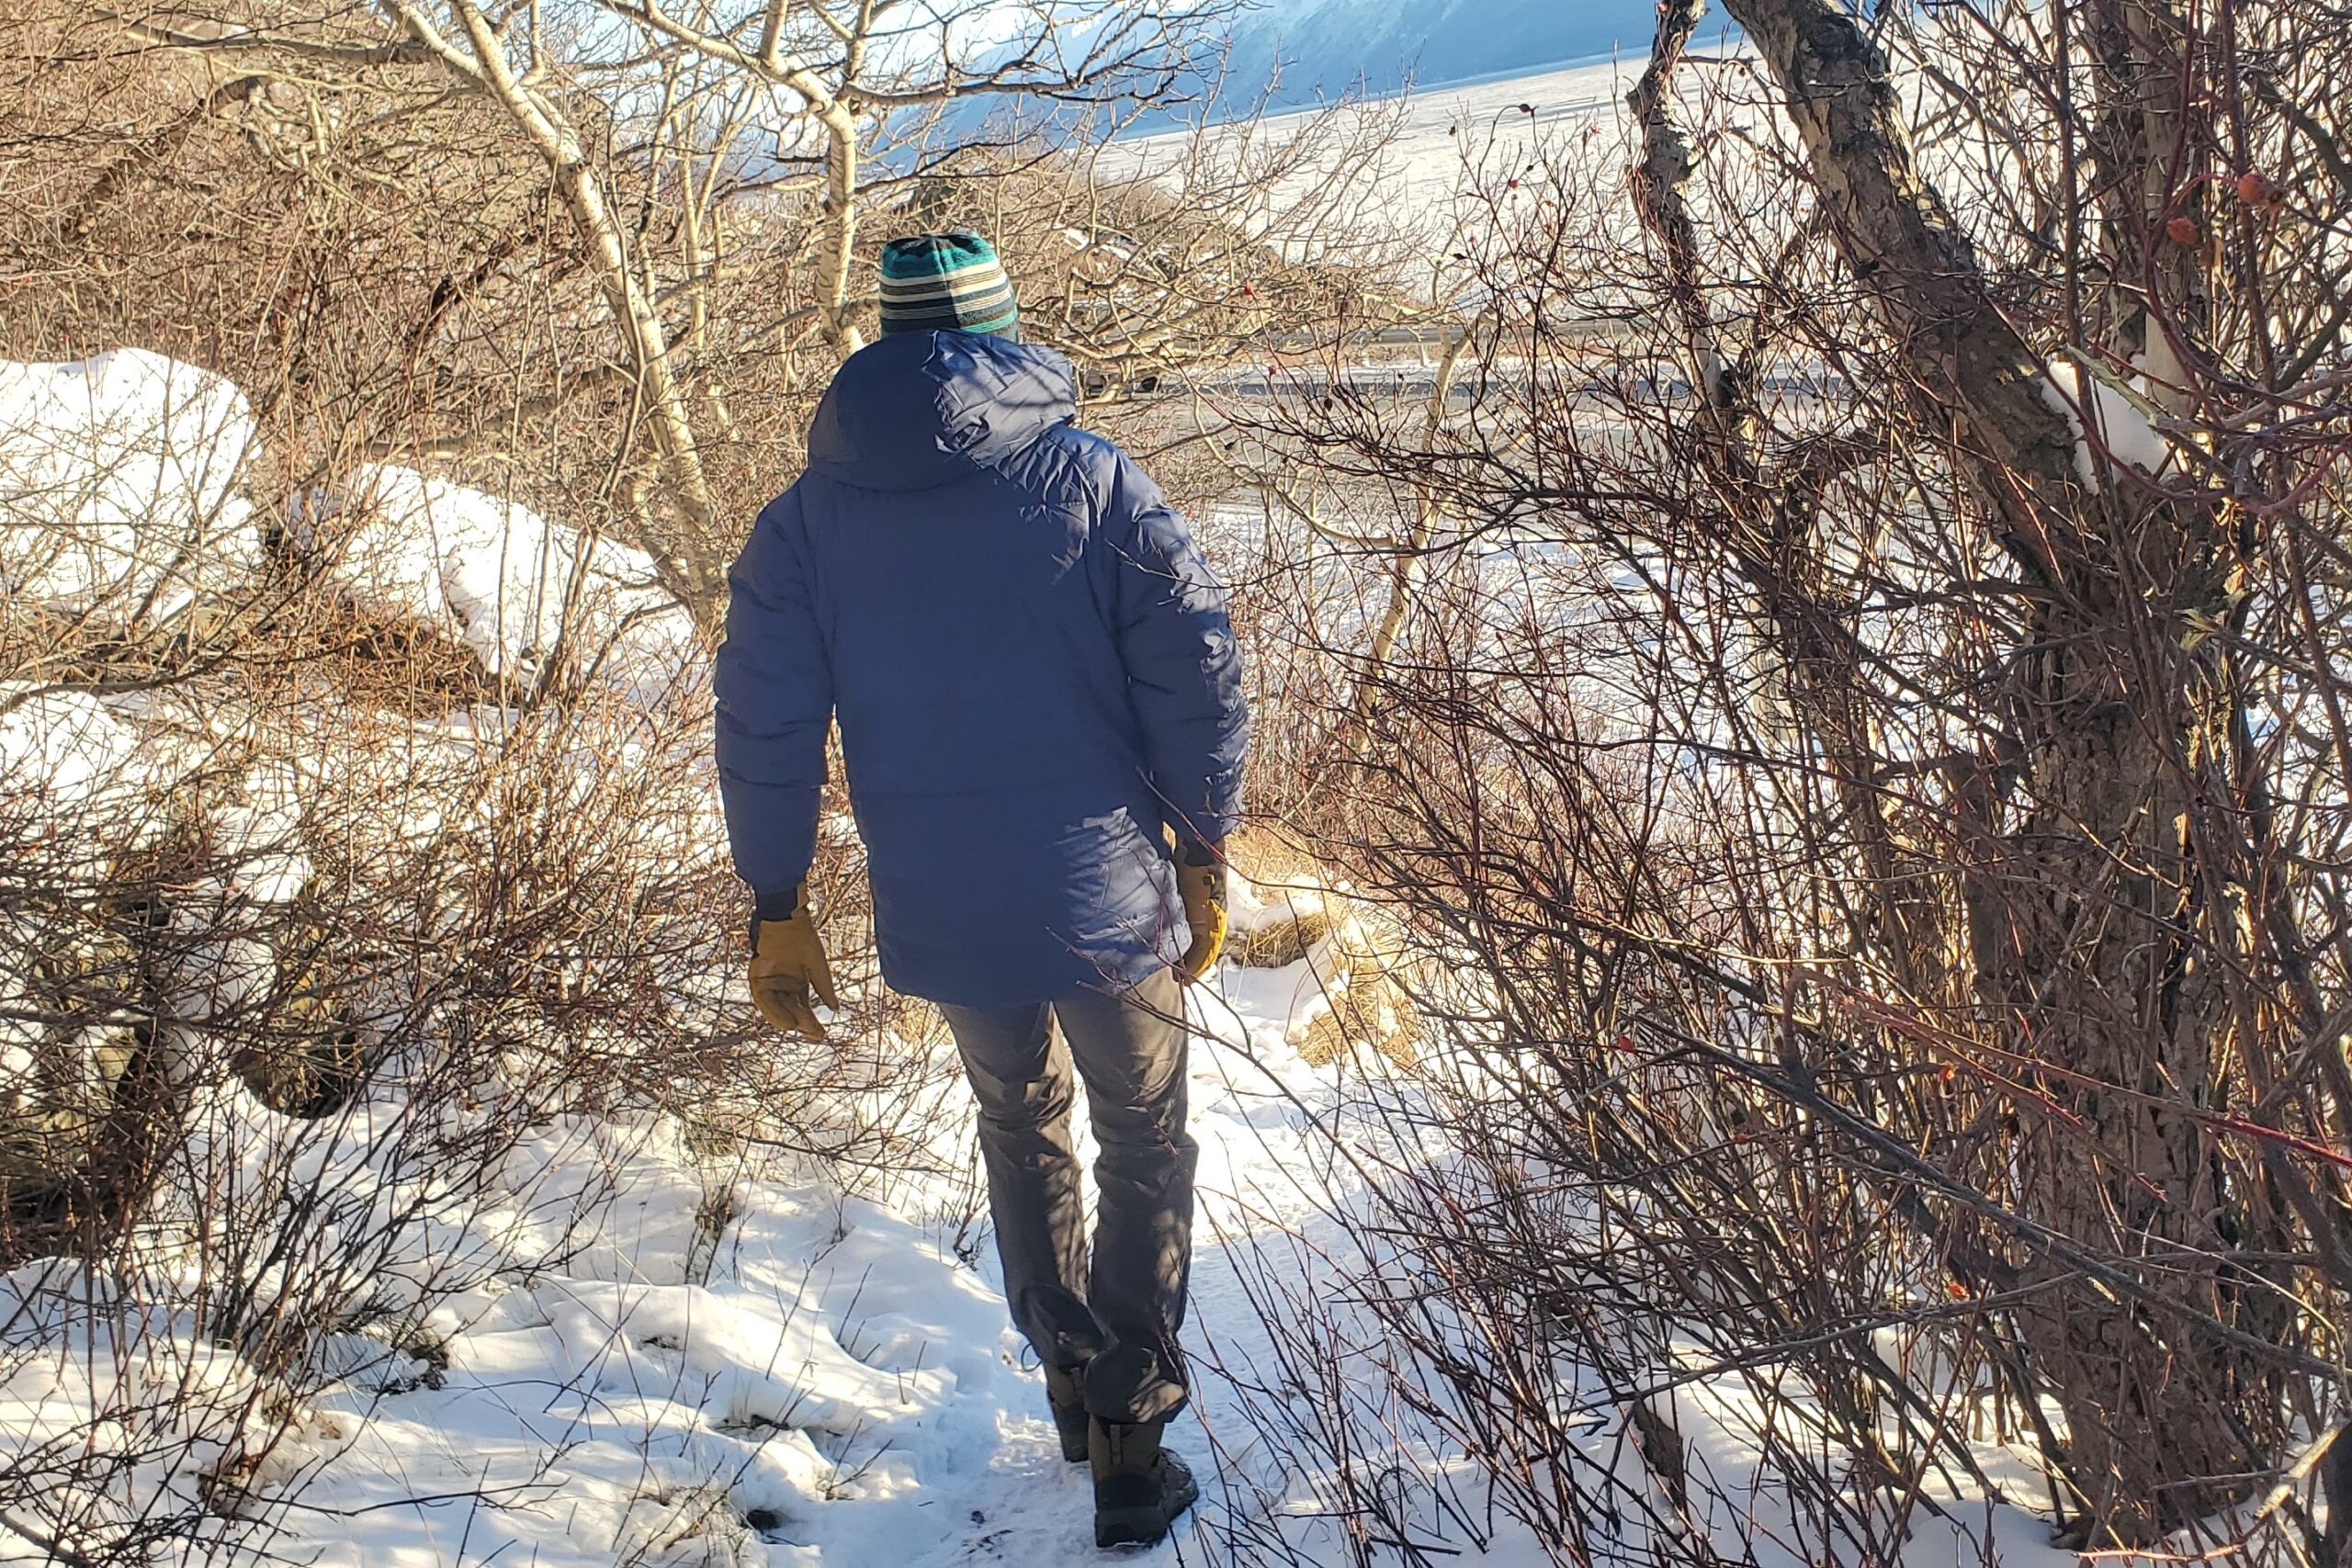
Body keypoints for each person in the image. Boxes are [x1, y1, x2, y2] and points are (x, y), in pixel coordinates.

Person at [712, 231, 1248, 1550]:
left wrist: (777, 895)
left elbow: (762, 722)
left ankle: (1071, 1380)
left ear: (883, 347)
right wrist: (1201, 846)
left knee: (1021, 1126)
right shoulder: (1091, 480)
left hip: (943, 901)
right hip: (1101, 891)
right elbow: (1200, 674)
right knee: (1141, 1137)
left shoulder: (806, 517)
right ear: (1008, 337)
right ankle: (1130, 1432)